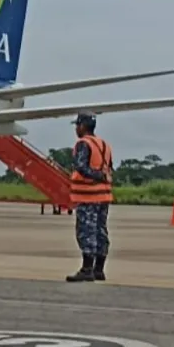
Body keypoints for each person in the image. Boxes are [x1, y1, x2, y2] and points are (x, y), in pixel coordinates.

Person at [66, 112, 114, 283]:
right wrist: (101, 177)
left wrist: (94, 176)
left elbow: (81, 166)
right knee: (101, 231)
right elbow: (109, 169)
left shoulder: (83, 144)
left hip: (88, 196)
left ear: (82, 126)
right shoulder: (104, 145)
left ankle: (87, 269)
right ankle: (99, 269)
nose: (76, 129)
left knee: (86, 232)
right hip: (104, 196)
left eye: (77, 126)